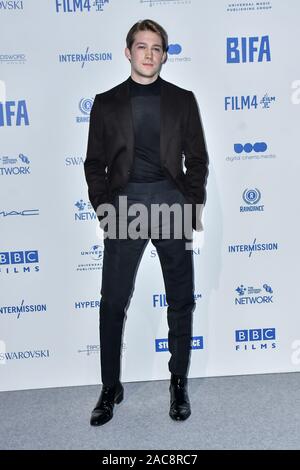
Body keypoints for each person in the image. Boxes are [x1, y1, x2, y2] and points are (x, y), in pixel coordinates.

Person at [84, 19, 208, 426]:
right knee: (112, 303)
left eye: (156, 48)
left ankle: (178, 382)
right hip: (125, 207)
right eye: (142, 47)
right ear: (128, 52)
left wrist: (191, 204)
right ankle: (109, 387)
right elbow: (94, 164)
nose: (149, 54)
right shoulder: (106, 103)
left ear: (165, 55)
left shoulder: (183, 100)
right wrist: (104, 207)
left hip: (171, 204)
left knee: (181, 301)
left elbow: (198, 160)